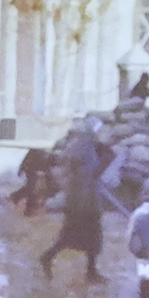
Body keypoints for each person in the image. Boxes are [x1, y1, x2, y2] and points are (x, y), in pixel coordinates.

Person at [44, 113, 107, 283]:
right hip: (81, 201)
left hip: (87, 198)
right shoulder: (82, 145)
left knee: (92, 236)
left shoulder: (88, 145)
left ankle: (91, 271)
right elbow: (74, 164)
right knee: (72, 235)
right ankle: (48, 257)